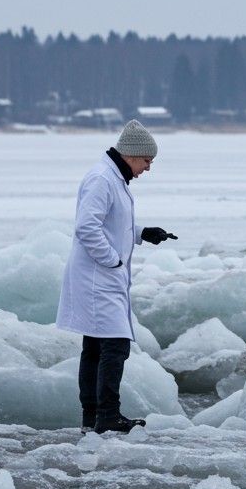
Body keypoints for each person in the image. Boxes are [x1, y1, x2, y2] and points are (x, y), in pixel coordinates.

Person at [56, 119, 177, 433]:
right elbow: (86, 227)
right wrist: (112, 260)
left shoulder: (113, 178)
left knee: (96, 347)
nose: (148, 168)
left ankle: (93, 417)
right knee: (115, 345)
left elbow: (112, 224)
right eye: (147, 161)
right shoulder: (102, 179)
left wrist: (142, 233)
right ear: (132, 155)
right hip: (98, 277)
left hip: (101, 277)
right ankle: (107, 415)